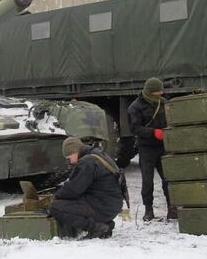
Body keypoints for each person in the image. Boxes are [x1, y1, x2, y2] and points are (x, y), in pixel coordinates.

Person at [49, 137, 123, 239]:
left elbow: (73, 190)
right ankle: (106, 225)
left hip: (103, 207)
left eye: (68, 157)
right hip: (111, 205)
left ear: (74, 151)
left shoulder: (87, 162)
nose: (69, 161)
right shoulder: (97, 154)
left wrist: (57, 196)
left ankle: (96, 227)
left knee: (55, 207)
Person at [128, 77, 175, 221]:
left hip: (163, 147)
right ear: (148, 92)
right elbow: (134, 129)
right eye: (156, 94)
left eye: (160, 93)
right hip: (146, 147)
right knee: (147, 181)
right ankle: (148, 210)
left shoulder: (164, 104)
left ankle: (172, 208)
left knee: (168, 179)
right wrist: (153, 132)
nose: (159, 96)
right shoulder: (135, 107)